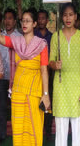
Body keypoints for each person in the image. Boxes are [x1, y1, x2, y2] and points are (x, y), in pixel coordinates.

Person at [0, 4, 51, 146]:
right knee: (19, 129)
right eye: (23, 20)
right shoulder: (16, 42)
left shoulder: (41, 44)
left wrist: (46, 94)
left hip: (34, 91)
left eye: (28, 21)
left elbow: (44, 70)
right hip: (18, 91)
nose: (24, 24)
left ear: (35, 24)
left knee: (33, 127)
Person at [49, 3, 80, 146]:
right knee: (61, 129)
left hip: (78, 86)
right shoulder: (56, 36)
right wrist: (55, 65)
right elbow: (50, 61)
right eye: (65, 14)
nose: (68, 18)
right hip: (60, 86)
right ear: (62, 17)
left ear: (75, 16)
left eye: (71, 14)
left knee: (78, 128)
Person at [0, 8, 22, 142]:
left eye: (10, 18)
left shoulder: (20, 37)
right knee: (1, 107)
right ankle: (2, 134)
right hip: (1, 77)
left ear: (15, 21)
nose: (7, 21)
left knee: (17, 107)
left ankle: (18, 134)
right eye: (6, 18)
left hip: (16, 78)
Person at [34, 9, 54, 141]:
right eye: (39, 18)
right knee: (36, 101)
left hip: (49, 73)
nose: (41, 21)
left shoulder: (52, 36)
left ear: (47, 21)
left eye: (43, 18)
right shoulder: (32, 35)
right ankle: (38, 129)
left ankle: (47, 129)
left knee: (48, 99)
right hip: (35, 73)